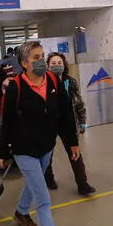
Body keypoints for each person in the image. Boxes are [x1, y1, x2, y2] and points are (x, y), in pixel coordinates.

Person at [0, 41, 79, 226]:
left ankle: (21, 213)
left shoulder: (53, 82)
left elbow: (64, 115)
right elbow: (6, 122)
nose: (41, 61)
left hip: (46, 146)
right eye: (35, 57)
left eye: (42, 56)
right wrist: (2, 153)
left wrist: (72, 141)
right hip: (24, 149)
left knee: (35, 185)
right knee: (42, 199)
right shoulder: (15, 88)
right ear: (24, 63)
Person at [44, 52, 96, 195]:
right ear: (47, 66)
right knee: (47, 153)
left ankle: (82, 184)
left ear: (64, 65)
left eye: (59, 63)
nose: (57, 66)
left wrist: (83, 121)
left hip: (68, 122)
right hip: (50, 123)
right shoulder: (43, 82)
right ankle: (48, 178)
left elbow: (79, 102)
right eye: (53, 63)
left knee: (75, 152)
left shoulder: (70, 82)